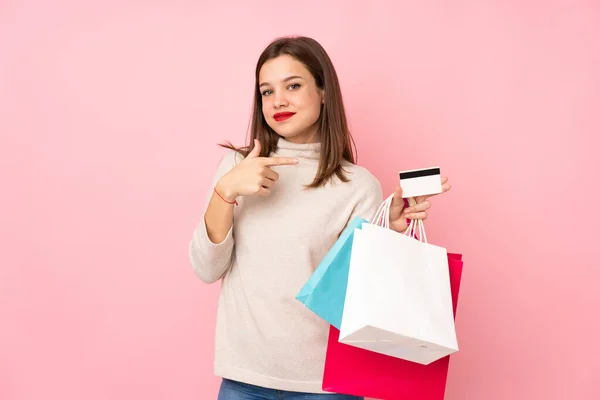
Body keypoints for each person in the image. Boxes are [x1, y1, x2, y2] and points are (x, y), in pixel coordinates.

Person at [188, 35, 451, 400]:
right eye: (267, 91)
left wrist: (382, 231)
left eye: (293, 86)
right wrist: (225, 192)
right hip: (243, 379)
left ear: (324, 91)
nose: (278, 100)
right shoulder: (237, 168)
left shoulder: (357, 185)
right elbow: (206, 268)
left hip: (326, 386)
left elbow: (347, 295)